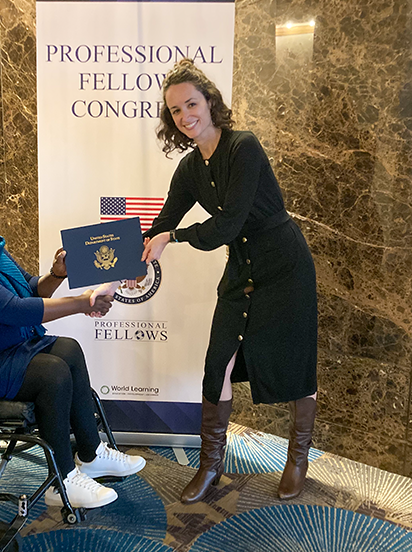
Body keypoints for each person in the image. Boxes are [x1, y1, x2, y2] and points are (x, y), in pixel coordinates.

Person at [140, 58, 318, 503]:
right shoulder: (189, 168)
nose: (184, 117)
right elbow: (163, 222)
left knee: (295, 361)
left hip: (283, 266)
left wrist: (172, 238)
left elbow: (226, 223)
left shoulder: (244, 147)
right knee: (217, 362)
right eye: (175, 111)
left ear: (210, 103)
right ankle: (210, 465)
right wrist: (108, 256)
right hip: (242, 269)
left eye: (191, 104)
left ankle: (298, 459)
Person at [0, 184, 145, 509]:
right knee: (51, 373)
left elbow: (29, 289)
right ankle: (61, 480)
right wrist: (82, 303)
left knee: (68, 349)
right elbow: (13, 310)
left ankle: (91, 455)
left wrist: (56, 274)